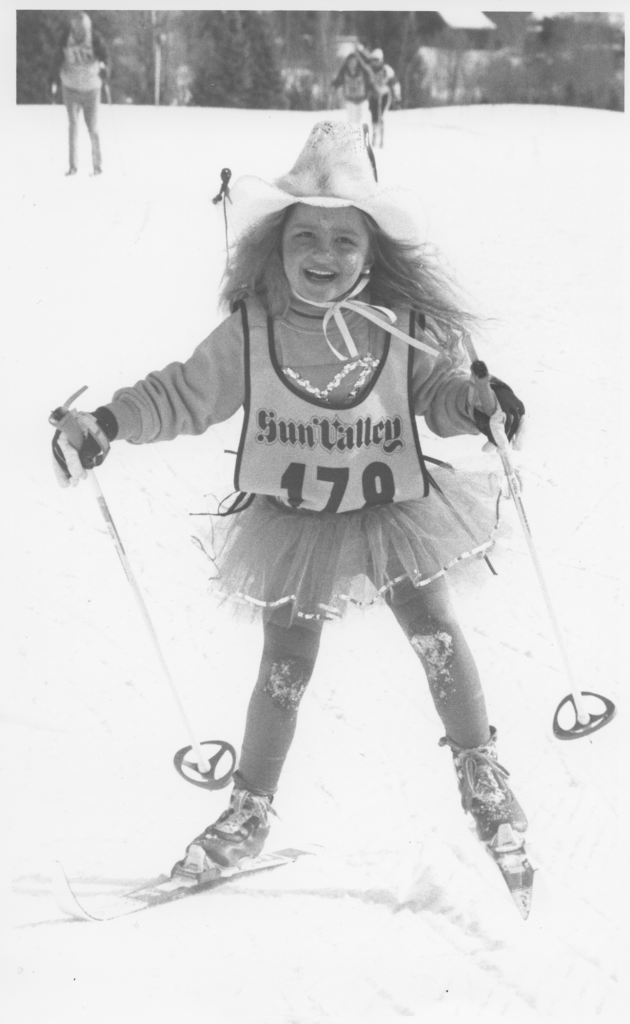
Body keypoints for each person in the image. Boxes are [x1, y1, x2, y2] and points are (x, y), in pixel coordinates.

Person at [51, 121, 528, 878]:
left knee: (435, 631)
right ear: (276, 245)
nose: (323, 257)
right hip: (296, 523)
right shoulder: (253, 332)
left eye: (345, 242)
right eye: (306, 237)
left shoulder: (399, 329)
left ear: (373, 255)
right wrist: (108, 422)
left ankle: (481, 774)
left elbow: (439, 392)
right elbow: (183, 393)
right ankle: (249, 808)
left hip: (387, 514)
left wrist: (478, 404)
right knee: (286, 662)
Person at [50, 11, 109, 176]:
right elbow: (57, 58)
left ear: (87, 28)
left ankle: (97, 167)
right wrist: (53, 80)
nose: (79, 33)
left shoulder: (95, 38)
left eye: (82, 29)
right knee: (73, 127)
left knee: (93, 128)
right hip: (70, 87)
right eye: (76, 29)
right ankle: (73, 167)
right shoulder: (65, 38)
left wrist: (105, 70)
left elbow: (105, 57)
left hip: (91, 89)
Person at [368, 48, 401, 149]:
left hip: (384, 95)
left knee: (380, 115)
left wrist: (397, 96)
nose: (375, 63)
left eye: (377, 60)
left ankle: (381, 138)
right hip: (374, 95)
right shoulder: (370, 70)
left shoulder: (386, 70)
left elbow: (395, 83)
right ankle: (374, 134)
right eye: (373, 60)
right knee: (374, 116)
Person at [331, 51, 373, 127]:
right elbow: (338, 80)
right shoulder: (344, 72)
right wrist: (334, 86)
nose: (352, 63)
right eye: (350, 61)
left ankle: (360, 134)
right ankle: (353, 136)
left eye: (354, 61)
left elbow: (370, 83)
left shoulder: (363, 72)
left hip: (362, 100)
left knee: (361, 118)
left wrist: (372, 91)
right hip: (350, 100)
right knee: (352, 121)